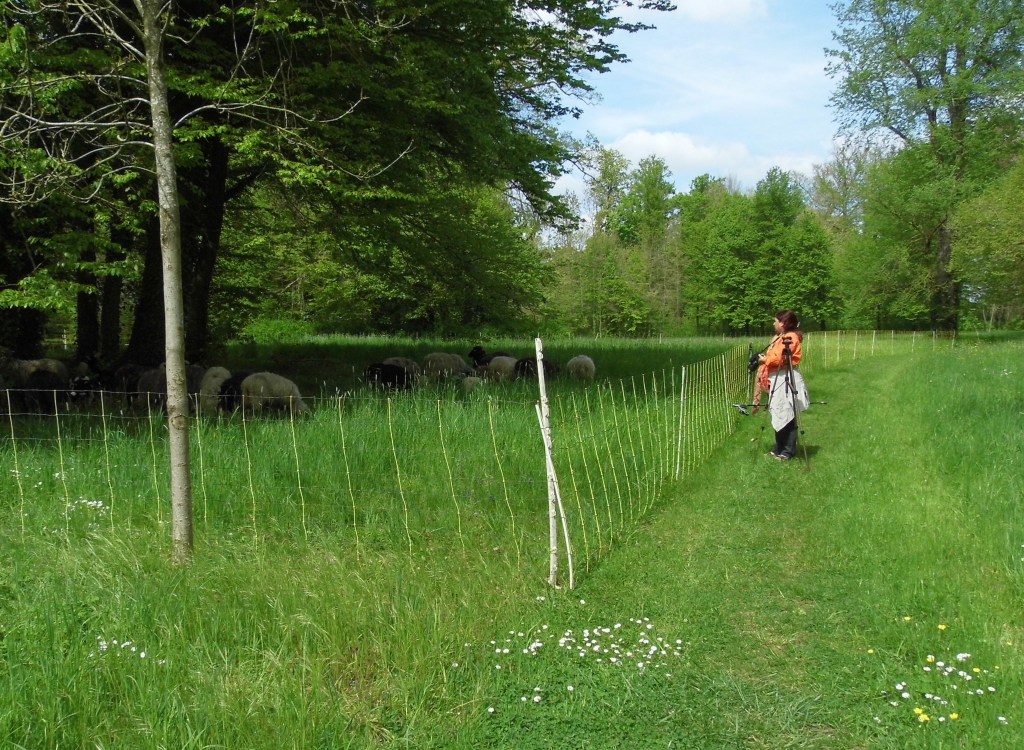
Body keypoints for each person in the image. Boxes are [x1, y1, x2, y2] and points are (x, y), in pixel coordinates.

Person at [753, 310, 810, 461]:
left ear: (783, 323)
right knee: (778, 411)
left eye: (775, 321)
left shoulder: (790, 338)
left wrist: (764, 360)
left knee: (787, 413)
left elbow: (780, 359)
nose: (773, 323)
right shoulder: (781, 337)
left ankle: (788, 451)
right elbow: (776, 356)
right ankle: (779, 447)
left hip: (785, 377)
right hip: (778, 377)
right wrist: (765, 358)